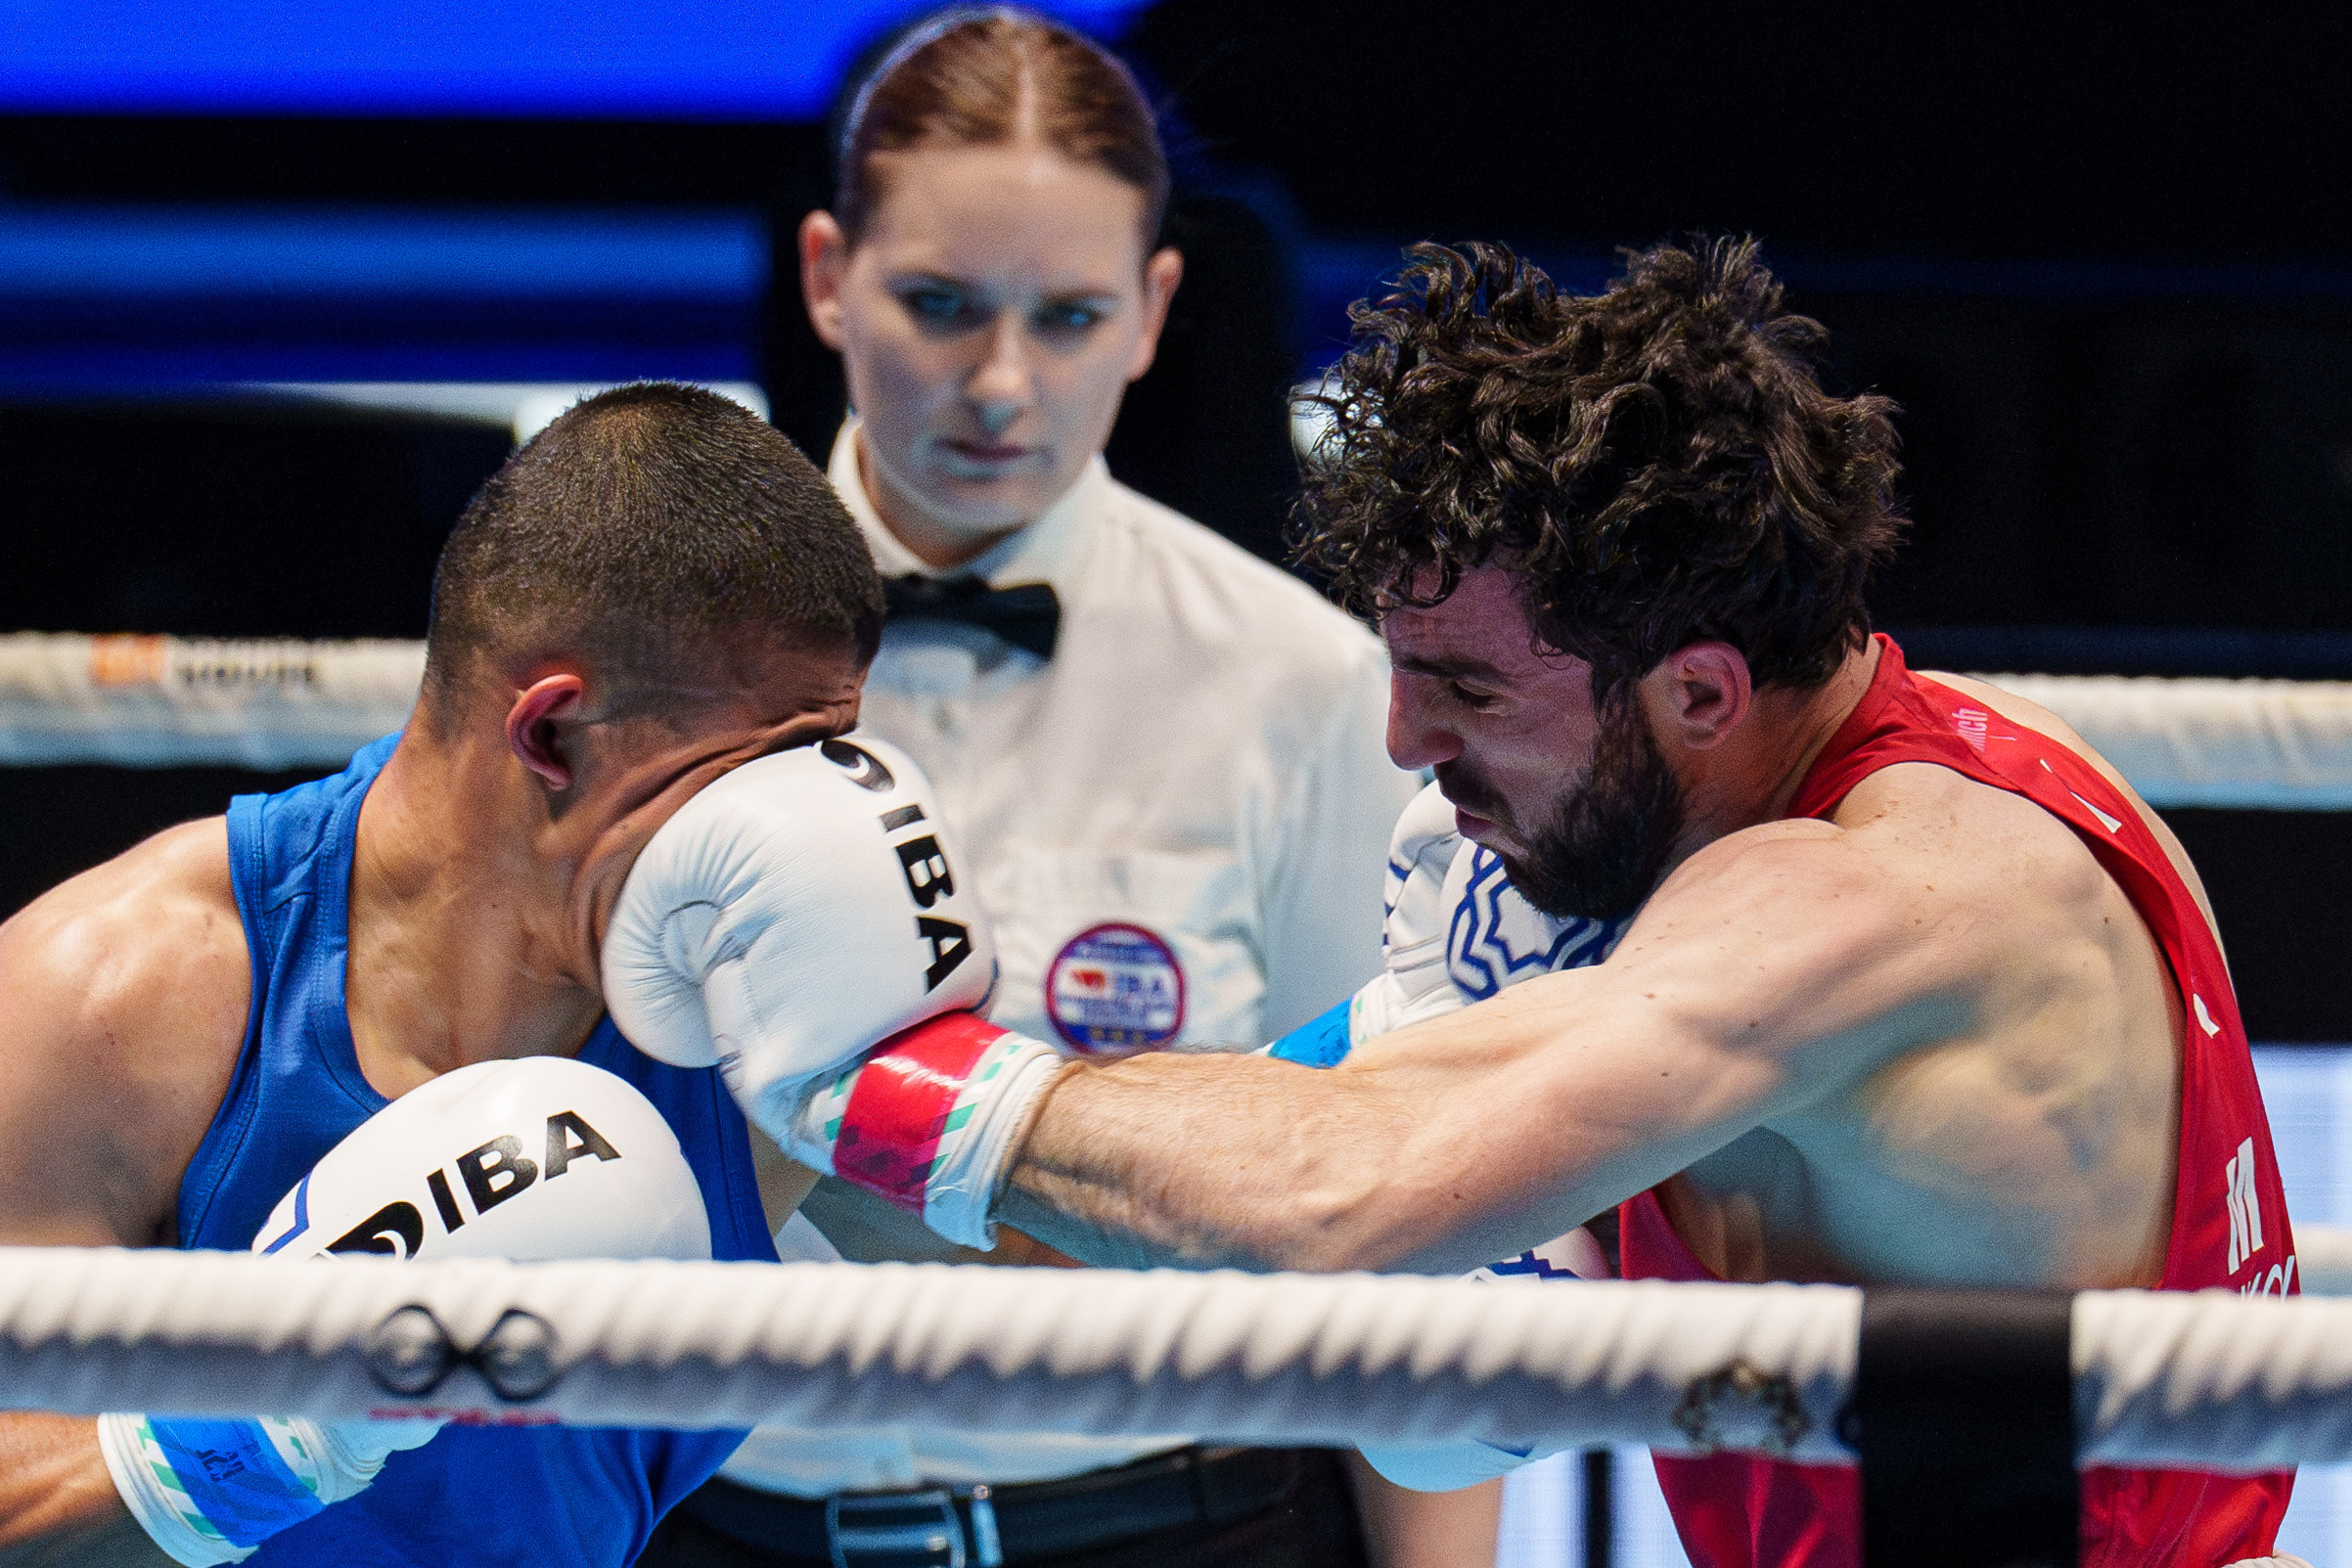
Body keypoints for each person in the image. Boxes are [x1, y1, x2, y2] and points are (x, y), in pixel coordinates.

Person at [658, 240, 2300, 1568]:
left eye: (1459, 688)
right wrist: (752, 1145)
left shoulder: (1860, 903)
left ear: (1698, 693)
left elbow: (1346, 1193)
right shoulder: (1874, 795)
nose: (1401, 742)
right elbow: (1242, 1154)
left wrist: (880, 1081)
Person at [637, 10, 1437, 1568]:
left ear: (1152, 313)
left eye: (1067, 317)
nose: (1002, 383)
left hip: (1180, 1522)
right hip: (707, 1519)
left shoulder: (1303, 682)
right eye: (940, 305)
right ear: (824, 277)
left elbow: (1403, 1205)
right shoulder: (650, 655)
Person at [0, 383, 886, 1567]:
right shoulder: (121, 994)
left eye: (830, 761)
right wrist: (273, 1422)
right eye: (763, 767)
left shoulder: (765, 999)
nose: (794, 820)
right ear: (553, 733)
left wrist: (965, 1090)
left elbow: (1101, 1258)